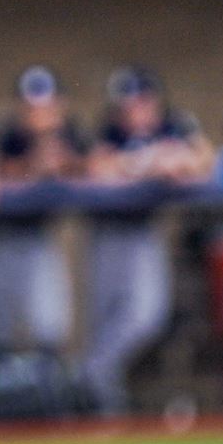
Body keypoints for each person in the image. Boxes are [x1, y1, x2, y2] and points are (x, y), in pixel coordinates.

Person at [81, 67, 212, 417]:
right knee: (105, 316)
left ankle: (92, 375)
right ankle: (98, 395)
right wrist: (147, 162)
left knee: (146, 315)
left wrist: (174, 160)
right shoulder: (109, 131)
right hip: (106, 233)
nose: (135, 111)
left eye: (141, 103)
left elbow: (203, 160)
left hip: (143, 233)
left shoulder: (176, 125)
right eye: (127, 105)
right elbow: (95, 167)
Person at [0, 65, 82, 358]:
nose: (38, 112)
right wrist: (33, 164)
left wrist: (60, 159)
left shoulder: (68, 132)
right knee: (2, 330)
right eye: (31, 105)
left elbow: (90, 164)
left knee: (49, 327)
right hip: (3, 235)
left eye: (46, 104)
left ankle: (49, 395)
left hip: (42, 237)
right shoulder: (8, 134)